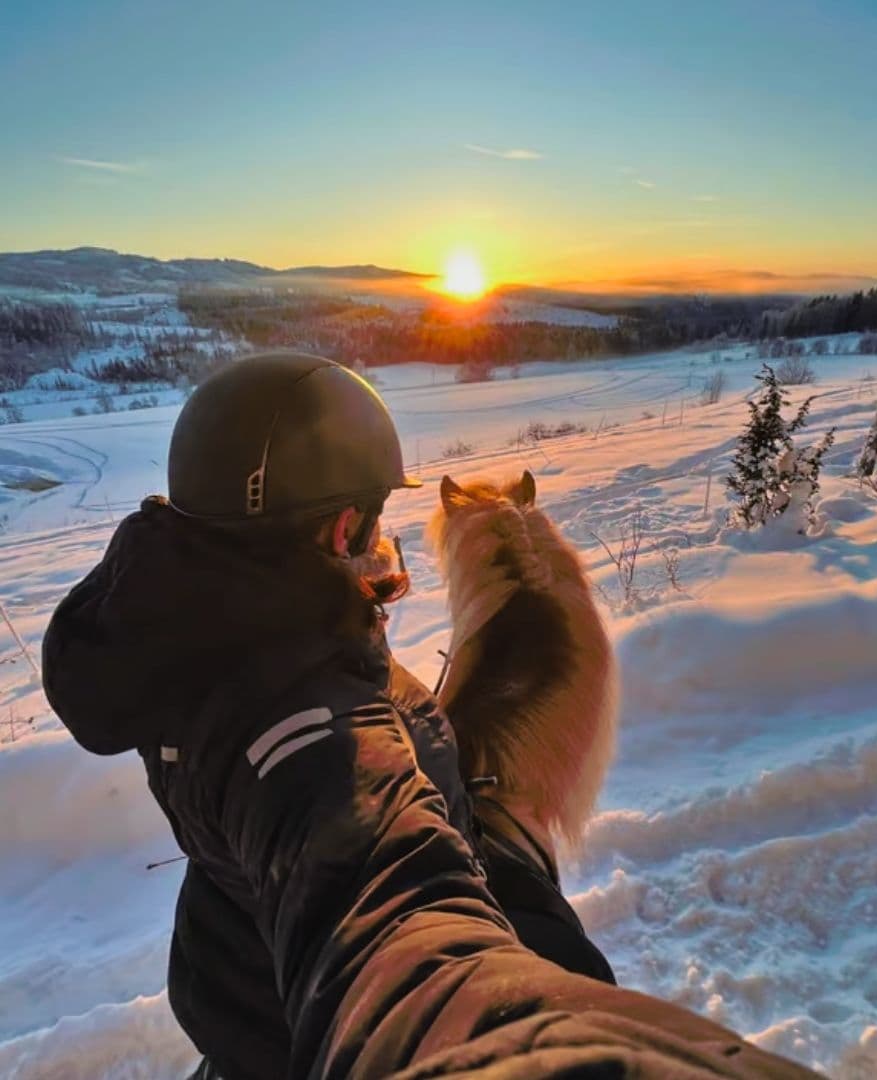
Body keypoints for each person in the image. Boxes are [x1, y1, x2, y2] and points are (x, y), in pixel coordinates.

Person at [43, 352, 816, 1078]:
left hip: (249, 1012)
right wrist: (537, 985)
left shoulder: (219, 639)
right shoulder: (316, 729)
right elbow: (393, 935)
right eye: (376, 521)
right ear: (343, 527)